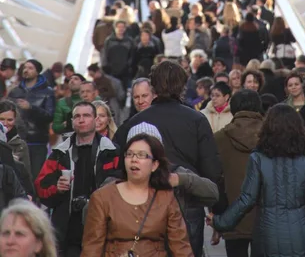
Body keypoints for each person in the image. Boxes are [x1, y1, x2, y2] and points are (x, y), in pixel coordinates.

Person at [114, 61, 222, 257]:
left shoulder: (135, 122)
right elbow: (212, 170)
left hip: (144, 203)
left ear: (153, 88)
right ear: (182, 86)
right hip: (186, 202)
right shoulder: (196, 120)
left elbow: (117, 164)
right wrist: (218, 212)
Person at [208, 104, 305, 257]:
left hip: (267, 233)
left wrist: (220, 222)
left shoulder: (258, 159)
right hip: (303, 234)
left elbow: (247, 199)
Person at [81, 130, 194, 257]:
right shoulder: (102, 197)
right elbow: (92, 247)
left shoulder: (165, 197)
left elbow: (180, 246)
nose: (134, 159)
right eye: (129, 154)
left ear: (154, 165)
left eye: (141, 155)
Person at [35, 101, 119, 257]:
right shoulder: (59, 153)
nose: (81, 120)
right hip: (68, 231)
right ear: (72, 122)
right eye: (77, 116)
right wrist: (57, 188)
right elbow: (40, 186)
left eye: (86, 115)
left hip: (104, 228)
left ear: (95, 120)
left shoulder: (112, 152)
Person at [213, 90, 264, 257]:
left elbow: (215, 179)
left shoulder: (220, 138)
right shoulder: (272, 136)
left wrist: (219, 217)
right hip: (266, 218)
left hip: (232, 215)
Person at [8, 59, 55, 180]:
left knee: (33, 177)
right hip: (16, 140)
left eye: (30, 68)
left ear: (37, 72)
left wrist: (31, 108)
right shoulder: (15, 91)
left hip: (36, 141)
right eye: (25, 67)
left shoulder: (47, 92)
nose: (26, 70)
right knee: (14, 176)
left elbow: (50, 116)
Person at [0, 100, 31, 176]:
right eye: (1, 119)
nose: (5, 123)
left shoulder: (20, 145)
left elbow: (26, 175)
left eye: (10, 120)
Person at [103, 20, 134, 91]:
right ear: (115, 28)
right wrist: (106, 67)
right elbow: (104, 54)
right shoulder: (109, 41)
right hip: (112, 71)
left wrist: (129, 67)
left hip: (125, 72)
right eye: (119, 27)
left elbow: (132, 56)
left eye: (122, 27)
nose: (121, 29)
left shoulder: (129, 41)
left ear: (125, 29)